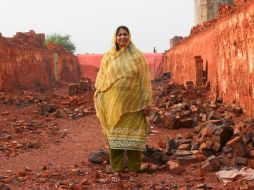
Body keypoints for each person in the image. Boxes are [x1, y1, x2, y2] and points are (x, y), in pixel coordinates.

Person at [94, 26, 152, 181]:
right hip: (114, 105)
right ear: (115, 37)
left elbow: (144, 80)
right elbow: (102, 77)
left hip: (134, 105)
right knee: (114, 138)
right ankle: (117, 170)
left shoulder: (138, 56)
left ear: (129, 36)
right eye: (119, 34)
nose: (122, 37)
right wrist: (100, 92)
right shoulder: (109, 57)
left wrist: (146, 102)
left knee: (134, 138)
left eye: (125, 34)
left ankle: (134, 169)